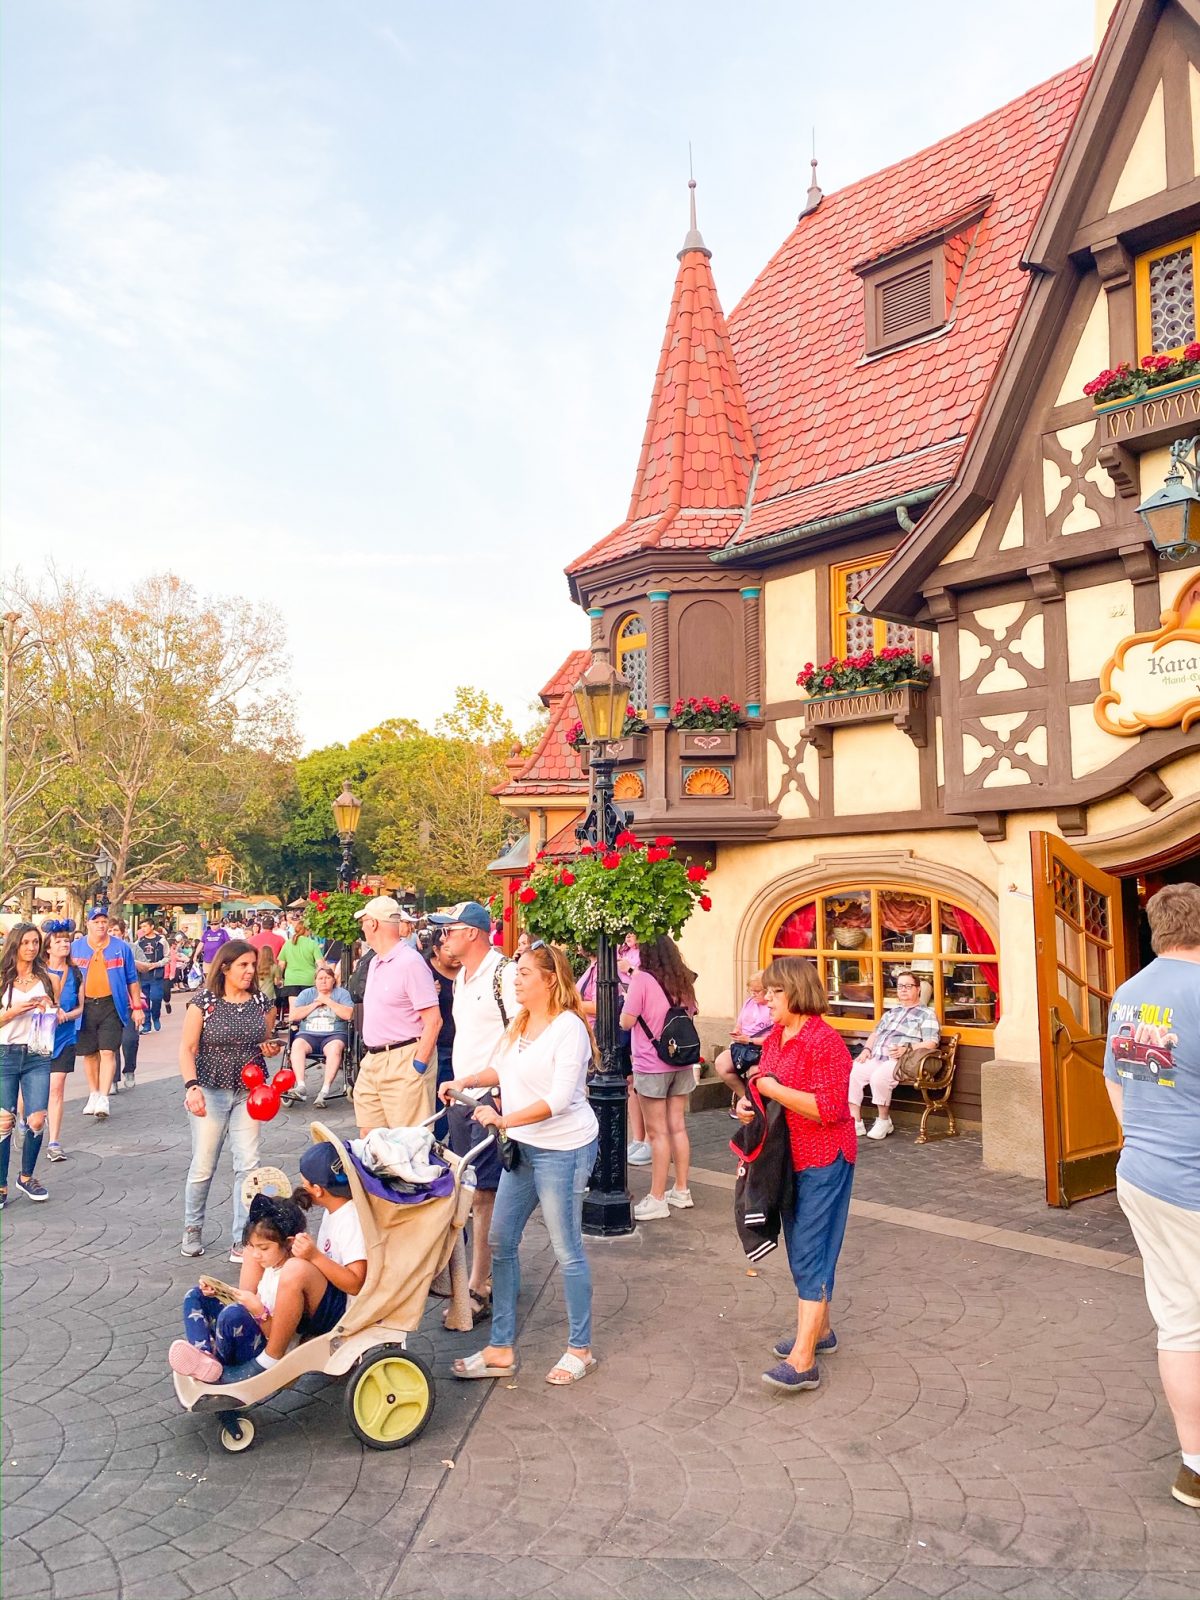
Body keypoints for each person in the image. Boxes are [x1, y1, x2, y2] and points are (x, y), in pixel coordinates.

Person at [443, 942, 600, 1385]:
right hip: (522, 1147)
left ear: (550, 980)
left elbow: (557, 1099)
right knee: (501, 1238)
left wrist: (502, 1118)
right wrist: (465, 1081)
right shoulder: (521, 1021)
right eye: (517, 973)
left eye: (525, 974)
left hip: (562, 1150)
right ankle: (499, 1347)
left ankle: (580, 1348)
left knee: (566, 1247)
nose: (516, 979)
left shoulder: (568, 1028)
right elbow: (502, 1070)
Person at [1103, 883, 1200, 1509]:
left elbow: (1118, 1080)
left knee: (1181, 1321)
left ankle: (1194, 1464)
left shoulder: (1131, 995)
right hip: (1194, 1179)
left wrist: (1138, 1139)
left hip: (1143, 1172)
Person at [739, 956, 856, 1393]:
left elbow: (830, 1109)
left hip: (826, 1155)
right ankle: (820, 1333)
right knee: (804, 1243)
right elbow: (763, 1083)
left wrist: (771, 1091)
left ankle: (804, 1359)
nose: (765, 999)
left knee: (810, 1248)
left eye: (773, 992)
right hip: (787, 1156)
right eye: (765, 991)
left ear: (796, 992)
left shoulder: (824, 1041)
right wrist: (751, 1103)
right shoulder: (778, 1035)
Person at [428, 900, 518, 1323]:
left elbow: (522, 1034)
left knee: (484, 1194)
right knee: (469, 1188)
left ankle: (479, 1283)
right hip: (464, 1095)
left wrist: (501, 1089)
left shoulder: (504, 973)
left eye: (450, 929)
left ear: (473, 933)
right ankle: (479, 1274)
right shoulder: (463, 977)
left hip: (490, 1098)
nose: (443, 936)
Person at [178, 939, 282, 1262]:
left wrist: (270, 1047)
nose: (250, 971)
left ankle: (242, 1238)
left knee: (248, 1163)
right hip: (210, 1087)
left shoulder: (262, 1002)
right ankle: (192, 1227)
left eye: (253, 965)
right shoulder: (205, 1002)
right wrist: (191, 1087)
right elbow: (187, 1048)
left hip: (249, 1090)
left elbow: (265, 1038)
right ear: (225, 967)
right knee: (204, 1163)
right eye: (243, 965)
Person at [621, 934, 697, 1220]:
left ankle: (657, 1197)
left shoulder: (641, 979)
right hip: (681, 1062)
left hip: (652, 1063)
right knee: (677, 1126)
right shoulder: (682, 980)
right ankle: (682, 1190)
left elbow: (626, 1021)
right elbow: (691, 1012)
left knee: (657, 1133)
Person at [352, 896, 440, 1134]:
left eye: (364, 921)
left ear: (373, 924)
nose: (362, 927)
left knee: (407, 1144)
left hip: (404, 1057)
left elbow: (434, 1020)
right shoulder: (374, 962)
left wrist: (418, 1066)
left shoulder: (410, 962)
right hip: (373, 1058)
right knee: (369, 1138)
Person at [0, 923, 59, 1207]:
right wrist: (13, 1012)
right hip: (5, 1053)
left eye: (35, 942)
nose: (31, 948)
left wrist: (49, 1008)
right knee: (4, 1122)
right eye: (25, 942)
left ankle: (26, 1177)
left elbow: (55, 1018)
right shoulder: (2, 978)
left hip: (37, 1052)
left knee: (36, 1117)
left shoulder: (47, 978)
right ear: (15, 944)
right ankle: (0, 1185)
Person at [847, 970, 940, 1140]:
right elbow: (875, 1034)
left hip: (901, 1060)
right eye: (900, 986)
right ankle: (856, 1120)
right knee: (855, 1070)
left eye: (908, 986)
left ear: (918, 989)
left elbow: (931, 1042)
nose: (903, 990)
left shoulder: (927, 1014)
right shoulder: (891, 1013)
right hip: (877, 1057)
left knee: (879, 1077)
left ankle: (884, 1120)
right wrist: (867, 1050)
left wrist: (908, 1048)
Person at [71, 909, 144, 1120]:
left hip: (112, 1004)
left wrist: (137, 1007)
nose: (100, 925)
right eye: (96, 922)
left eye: (104, 921)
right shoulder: (76, 948)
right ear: (87, 924)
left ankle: (104, 1096)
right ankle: (93, 1093)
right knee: (90, 1053)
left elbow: (132, 978)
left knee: (108, 1051)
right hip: (85, 1007)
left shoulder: (121, 948)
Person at [42, 921, 84, 1164]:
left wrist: (66, 1015)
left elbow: (80, 1007)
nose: (64, 943)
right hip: (38, 1038)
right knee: (31, 1092)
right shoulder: (37, 973)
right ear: (48, 947)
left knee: (57, 1087)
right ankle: (25, 1122)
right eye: (58, 940)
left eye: (66, 940)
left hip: (65, 1036)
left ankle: (54, 1142)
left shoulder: (76, 973)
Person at [287, 963, 354, 1109]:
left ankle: (324, 1090)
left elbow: (348, 1014)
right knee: (297, 1045)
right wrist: (315, 1005)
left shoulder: (341, 994)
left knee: (335, 1049)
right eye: (320, 978)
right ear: (315, 981)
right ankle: (301, 1086)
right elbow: (293, 1015)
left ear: (333, 980)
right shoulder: (307, 994)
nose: (323, 981)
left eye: (327, 978)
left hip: (334, 1034)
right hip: (308, 1034)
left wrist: (328, 1001)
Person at [715, 970, 774, 1109]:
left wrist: (749, 1040)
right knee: (721, 1064)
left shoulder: (773, 1006)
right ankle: (747, 1100)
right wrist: (737, 1031)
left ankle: (761, 1107)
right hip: (743, 1045)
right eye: (751, 990)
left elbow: (775, 1038)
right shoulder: (749, 1002)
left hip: (762, 1048)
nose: (753, 994)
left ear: (767, 990)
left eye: (757, 991)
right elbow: (740, 1023)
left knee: (755, 1073)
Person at [426, 927, 461, 1135]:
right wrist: (429, 995)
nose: (455, 956)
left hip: (463, 1045)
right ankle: (436, 1140)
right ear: (436, 951)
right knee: (439, 1099)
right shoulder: (424, 972)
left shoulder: (467, 971)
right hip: (438, 1046)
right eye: (449, 951)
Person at [276, 916, 321, 1017]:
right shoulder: (312, 943)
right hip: (309, 980)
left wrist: (278, 978)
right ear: (306, 930)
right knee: (309, 1008)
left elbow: (281, 964)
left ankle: (293, 1027)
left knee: (294, 1009)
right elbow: (320, 963)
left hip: (291, 980)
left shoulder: (287, 944)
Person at [134, 920, 168, 1033]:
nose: (143, 929)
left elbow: (167, 957)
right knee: (145, 1000)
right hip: (143, 976)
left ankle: (156, 1016)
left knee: (156, 997)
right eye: (141, 927)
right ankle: (147, 1024)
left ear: (152, 926)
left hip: (156, 974)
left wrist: (157, 964)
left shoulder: (161, 941)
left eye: (145, 926)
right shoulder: (139, 942)